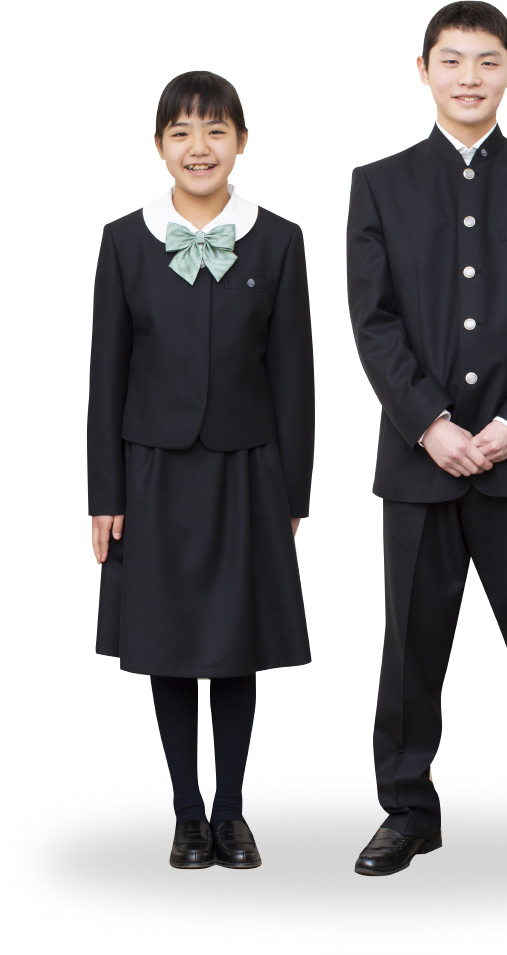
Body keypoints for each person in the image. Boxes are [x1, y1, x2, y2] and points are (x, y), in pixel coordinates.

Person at [347, 1, 507, 875]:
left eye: (488, 61)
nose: (469, 76)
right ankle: (407, 811)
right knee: (409, 651)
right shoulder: (378, 184)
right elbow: (373, 321)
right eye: (451, 60)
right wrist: (429, 424)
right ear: (422, 71)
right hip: (420, 467)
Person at [88, 71, 314, 869]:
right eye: (181, 131)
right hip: (152, 472)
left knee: (235, 642)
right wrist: (104, 493)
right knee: (170, 641)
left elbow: (295, 374)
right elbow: (106, 376)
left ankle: (231, 810)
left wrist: (293, 491)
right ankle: (187, 812)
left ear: (241, 142)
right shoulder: (125, 240)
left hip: (248, 470)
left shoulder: (278, 239)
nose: (199, 146)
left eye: (216, 130)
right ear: (159, 146)